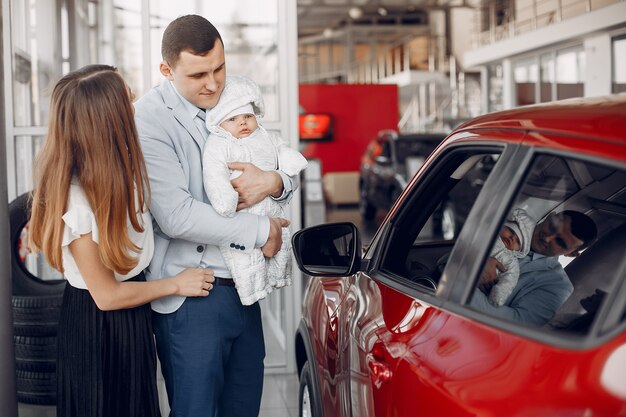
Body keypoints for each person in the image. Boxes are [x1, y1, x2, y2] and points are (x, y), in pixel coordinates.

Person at [27, 64, 214, 417]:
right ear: (110, 121)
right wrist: (175, 284)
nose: (135, 106)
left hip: (132, 316)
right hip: (99, 326)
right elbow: (108, 296)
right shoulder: (76, 200)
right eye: (127, 101)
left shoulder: (121, 172)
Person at [133, 15, 295, 417]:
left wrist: (275, 181)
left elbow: (270, 151)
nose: (213, 83)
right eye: (198, 74)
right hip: (193, 294)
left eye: (219, 68)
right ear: (167, 71)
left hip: (244, 287)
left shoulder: (233, 94)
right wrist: (263, 230)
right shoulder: (148, 120)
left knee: (243, 406)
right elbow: (177, 215)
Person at [203, 75, 307, 305]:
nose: (242, 123)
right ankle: (252, 290)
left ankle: (279, 278)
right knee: (246, 262)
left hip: (272, 212)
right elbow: (214, 174)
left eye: (248, 116)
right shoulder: (219, 144)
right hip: (240, 220)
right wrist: (225, 199)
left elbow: (285, 162)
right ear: (219, 123)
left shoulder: (265, 137)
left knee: (280, 250)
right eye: (233, 118)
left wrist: (279, 176)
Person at [471, 210, 597, 326]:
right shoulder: (511, 220)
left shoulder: (557, 286)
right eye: (552, 227)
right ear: (549, 217)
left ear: (571, 254)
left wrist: (463, 281)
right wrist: (475, 256)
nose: (547, 238)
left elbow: (517, 323)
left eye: (560, 242)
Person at [485, 208, 535, 306]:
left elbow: (509, 280)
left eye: (517, 241)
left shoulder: (511, 261)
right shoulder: (487, 233)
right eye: (511, 231)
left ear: (519, 250)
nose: (512, 238)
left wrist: (498, 295)